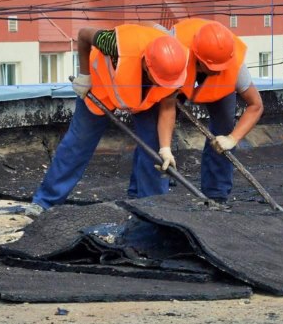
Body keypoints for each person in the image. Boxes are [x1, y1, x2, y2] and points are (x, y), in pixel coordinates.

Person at [27, 24, 189, 214]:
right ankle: (45, 202)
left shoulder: (175, 66)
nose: (160, 83)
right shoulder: (115, 45)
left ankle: (151, 208)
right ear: (146, 64)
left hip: (145, 99)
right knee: (78, 143)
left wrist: (166, 148)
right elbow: (84, 34)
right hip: (101, 85)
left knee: (155, 151)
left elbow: (168, 106)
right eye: (156, 78)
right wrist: (84, 75)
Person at [170, 18, 264, 202]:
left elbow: (256, 105)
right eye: (212, 68)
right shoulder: (173, 47)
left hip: (207, 69)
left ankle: (216, 194)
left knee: (224, 127)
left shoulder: (233, 65)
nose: (215, 71)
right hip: (178, 66)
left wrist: (232, 138)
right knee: (159, 119)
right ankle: (155, 184)